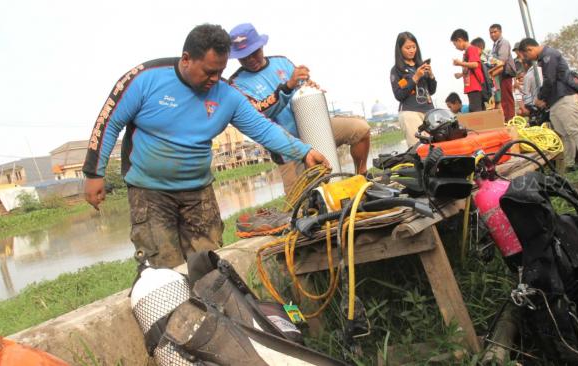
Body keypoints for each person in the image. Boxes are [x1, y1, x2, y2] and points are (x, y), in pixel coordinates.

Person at [82, 24, 329, 268]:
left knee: (209, 267)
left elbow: (263, 128)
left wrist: (304, 151)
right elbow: (109, 122)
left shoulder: (226, 95)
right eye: (209, 71)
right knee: (164, 271)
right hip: (150, 193)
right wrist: (95, 174)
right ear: (187, 59)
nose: (215, 79)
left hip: (198, 192)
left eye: (220, 71)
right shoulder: (145, 79)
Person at [228, 23, 370, 193]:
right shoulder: (237, 84)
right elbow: (258, 114)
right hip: (287, 148)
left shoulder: (282, 62)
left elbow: (300, 85)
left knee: (360, 129)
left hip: (316, 128)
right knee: (298, 208)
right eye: (244, 56)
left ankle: (361, 176)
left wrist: (307, 85)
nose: (251, 59)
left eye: (254, 53)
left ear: (261, 46)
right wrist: (288, 86)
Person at [519, 38, 578, 171]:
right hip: (555, 101)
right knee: (564, 134)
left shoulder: (549, 55)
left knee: (574, 130)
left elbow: (550, 80)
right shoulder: (545, 56)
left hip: (564, 97)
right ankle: (570, 164)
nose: (527, 58)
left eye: (526, 55)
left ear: (530, 49)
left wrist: (540, 98)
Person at [389, 31, 437, 146]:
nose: (411, 50)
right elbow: (399, 95)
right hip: (410, 113)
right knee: (419, 149)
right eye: (407, 47)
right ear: (400, 49)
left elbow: (432, 91)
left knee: (436, 147)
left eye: (414, 47)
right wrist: (415, 77)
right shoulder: (396, 70)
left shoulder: (420, 65)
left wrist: (431, 75)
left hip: (429, 112)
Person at [451, 29, 485, 112]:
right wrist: (461, 74)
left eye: (455, 44)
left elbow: (475, 64)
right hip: (471, 87)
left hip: (475, 87)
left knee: (476, 112)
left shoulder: (471, 49)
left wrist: (460, 63)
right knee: (476, 110)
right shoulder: (467, 52)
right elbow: (470, 68)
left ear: (460, 40)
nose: (455, 47)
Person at [489, 24, 517, 121]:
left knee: (507, 97)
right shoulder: (495, 45)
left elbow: (502, 60)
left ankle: (510, 119)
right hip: (499, 74)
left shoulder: (503, 42)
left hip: (506, 73)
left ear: (500, 32)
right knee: (502, 98)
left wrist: (492, 62)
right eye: (491, 33)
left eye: (495, 32)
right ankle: (507, 118)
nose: (492, 34)